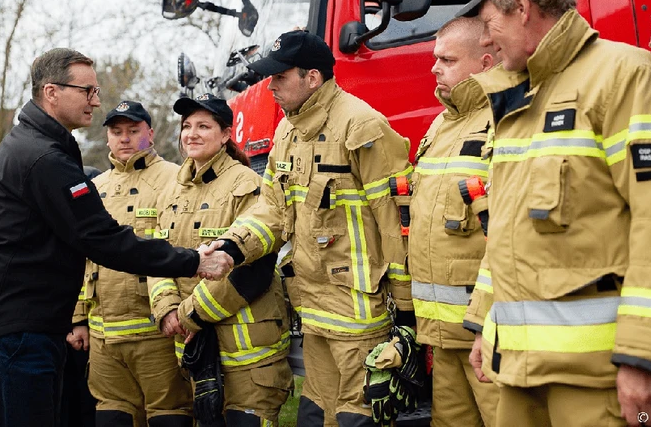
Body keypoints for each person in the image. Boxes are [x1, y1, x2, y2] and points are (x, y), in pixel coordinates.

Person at [456, 0, 651, 427]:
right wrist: (487, 324)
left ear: (523, 8)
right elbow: (508, 233)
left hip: (603, 382)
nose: (488, 43)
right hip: (519, 373)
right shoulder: (519, 94)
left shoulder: (624, 76)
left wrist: (645, 356)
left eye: (490, 25)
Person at [0, 48, 233, 427]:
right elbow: (100, 239)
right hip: (17, 335)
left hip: (20, 329)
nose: (96, 99)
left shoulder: (40, 146)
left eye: (96, 90)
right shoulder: (44, 158)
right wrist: (194, 260)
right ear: (52, 93)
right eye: (87, 90)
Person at [217, 30, 414, 427]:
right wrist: (231, 247)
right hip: (313, 312)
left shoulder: (362, 126)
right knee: (314, 415)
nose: (270, 86)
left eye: (280, 77)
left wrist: (407, 313)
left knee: (356, 416)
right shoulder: (286, 132)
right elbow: (271, 210)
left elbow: (396, 223)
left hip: (360, 317)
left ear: (312, 78)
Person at [149, 94, 293, 427]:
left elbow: (253, 272)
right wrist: (167, 309)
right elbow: (158, 258)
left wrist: (188, 315)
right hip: (196, 350)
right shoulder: (170, 192)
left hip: (249, 356)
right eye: (187, 126)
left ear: (226, 134)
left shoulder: (249, 186)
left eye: (203, 126)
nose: (192, 134)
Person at [69, 101, 193, 427]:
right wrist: (79, 318)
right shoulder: (94, 188)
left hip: (158, 334)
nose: (124, 139)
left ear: (149, 134)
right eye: (116, 132)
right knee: (111, 414)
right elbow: (79, 256)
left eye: (133, 131)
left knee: (170, 412)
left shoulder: (176, 179)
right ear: (107, 138)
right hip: (103, 336)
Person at [409, 16, 499, 427]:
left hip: (491, 331)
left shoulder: (506, 119)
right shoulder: (441, 124)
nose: (434, 68)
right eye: (435, 58)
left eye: (447, 59)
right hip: (442, 334)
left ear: (484, 62)